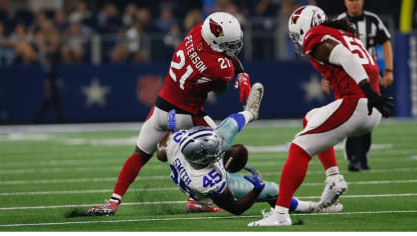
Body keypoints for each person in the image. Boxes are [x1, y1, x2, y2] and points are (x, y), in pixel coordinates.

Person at [88, 12, 251, 216]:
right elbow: (224, 73)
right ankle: (197, 199)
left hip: (161, 107)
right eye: (230, 43)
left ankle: (113, 202)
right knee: (217, 149)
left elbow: (222, 54)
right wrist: (242, 74)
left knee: (139, 155)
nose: (234, 47)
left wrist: (239, 72)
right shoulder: (220, 67)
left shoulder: (196, 32)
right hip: (188, 114)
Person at [248, 5, 394, 226]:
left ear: (307, 27)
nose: (298, 39)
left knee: (299, 147)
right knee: (312, 116)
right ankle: (334, 178)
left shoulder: (316, 35)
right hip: (369, 107)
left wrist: (367, 90)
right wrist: (366, 89)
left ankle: (280, 215)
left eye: (298, 33)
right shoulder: (343, 33)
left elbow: (346, 57)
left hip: (357, 103)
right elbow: (365, 63)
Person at [157, 83, 343, 215]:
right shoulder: (208, 181)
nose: (219, 148)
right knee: (272, 190)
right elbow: (236, 208)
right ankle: (311, 207)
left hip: (195, 164)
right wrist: (256, 189)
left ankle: (250, 113)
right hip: (214, 183)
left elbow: (161, 152)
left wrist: (171, 128)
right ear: (204, 158)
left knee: (227, 127)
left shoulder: (178, 144)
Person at [337, 0, 394, 171]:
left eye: (357, 0)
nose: (354, 4)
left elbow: (386, 43)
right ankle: (354, 158)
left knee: (370, 117)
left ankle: (362, 157)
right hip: (350, 77)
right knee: (353, 116)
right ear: (345, 2)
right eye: (350, 0)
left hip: (372, 76)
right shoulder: (340, 21)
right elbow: (331, 48)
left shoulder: (373, 20)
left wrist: (389, 70)